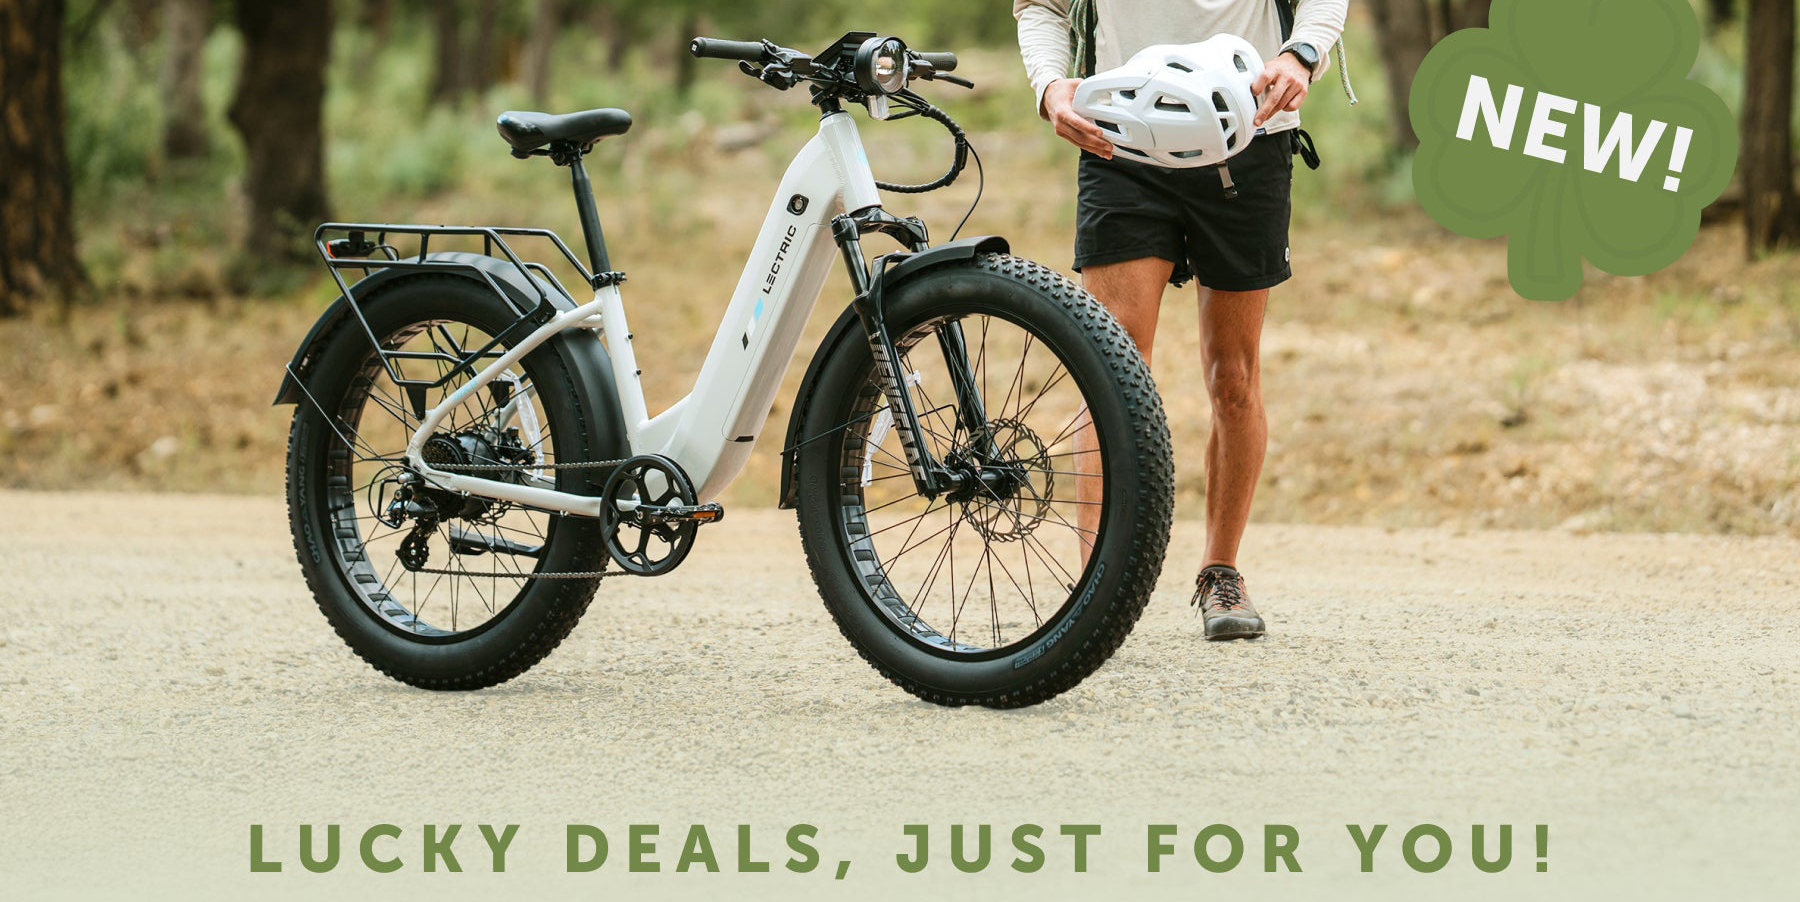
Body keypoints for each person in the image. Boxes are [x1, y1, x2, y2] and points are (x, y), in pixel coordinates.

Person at [1014, 0, 1348, 640]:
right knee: (1109, 369)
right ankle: (1095, 590)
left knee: (1233, 377)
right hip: (1121, 139)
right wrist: (1050, 86)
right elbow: (1041, 6)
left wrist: (1302, 53)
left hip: (1250, 138)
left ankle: (1221, 572)